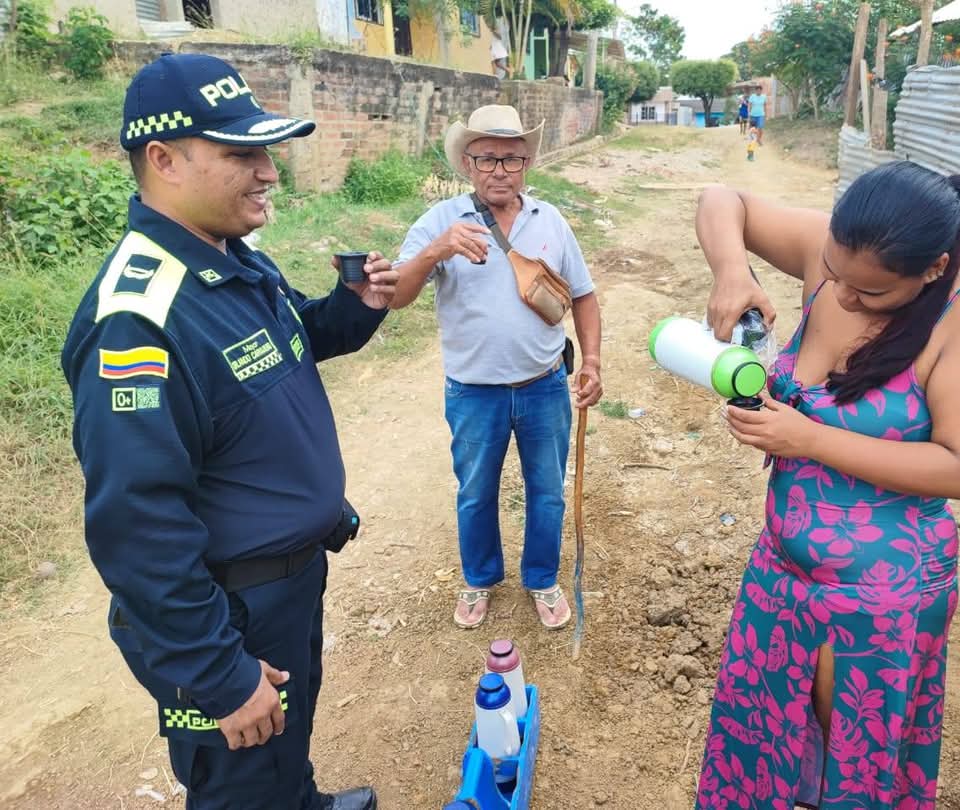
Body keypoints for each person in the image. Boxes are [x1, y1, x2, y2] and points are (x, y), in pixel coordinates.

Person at [60, 53, 396, 810]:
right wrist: (218, 674)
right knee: (243, 785)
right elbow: (137, 526)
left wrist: (354, 307)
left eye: (265, 149)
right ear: (163, 159)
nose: (268, 171)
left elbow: (289, 342)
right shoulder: (137, 318)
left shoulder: (229, 257)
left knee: (285, 744)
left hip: (285, 583)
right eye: (240, 152)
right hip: (230, 615)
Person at [693, 162, 960, 809]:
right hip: (780, 573)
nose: (841, 295)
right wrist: (734, 271)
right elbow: (719, 197)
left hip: (878, 600)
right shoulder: (836, 264)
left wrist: (809, 439)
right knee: (762, 754)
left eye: (870, 293)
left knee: (845, 774)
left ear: (933, 269)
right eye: (835, 273)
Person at [389, 105, 603, 630]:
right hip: (473, 392)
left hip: (544, 386)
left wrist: (592, 359)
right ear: (467, 163)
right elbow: (397, 297)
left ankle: (542, 579)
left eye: (512, 159)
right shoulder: (440, 222)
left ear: (527, 163)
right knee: (476, 491)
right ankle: (479, 579)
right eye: (487, 158)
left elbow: (584, 296)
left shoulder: (549, 220)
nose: (500, 170)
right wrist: (435, 251)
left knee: (547, 490)